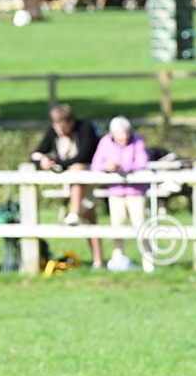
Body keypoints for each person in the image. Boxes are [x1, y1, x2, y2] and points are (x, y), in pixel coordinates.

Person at [32, 103, 102, 267]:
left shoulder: (86, 128)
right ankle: (97, 261)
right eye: (56, 126)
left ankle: (74, 213)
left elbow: (83, 156)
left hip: (91, 175)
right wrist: (43, 161)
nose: (59, 130)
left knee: (89, 216)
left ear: (70, 122)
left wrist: (58, 162)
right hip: (71, 180)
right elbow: (37, 152)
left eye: (62, 126)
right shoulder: (54, 131)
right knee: (90, 217)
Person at [91, 116, 152, 272]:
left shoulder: (138, 141)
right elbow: (95, 164)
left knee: (140, 225)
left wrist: (123, 166)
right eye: (119, 134)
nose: (123, 138)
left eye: (125, 134)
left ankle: (148, 262)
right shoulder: (105, 142)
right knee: (117, 226)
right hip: (115, 191)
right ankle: (118, 261)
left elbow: (142, 163)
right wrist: (107, 166)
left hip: (136, 190)